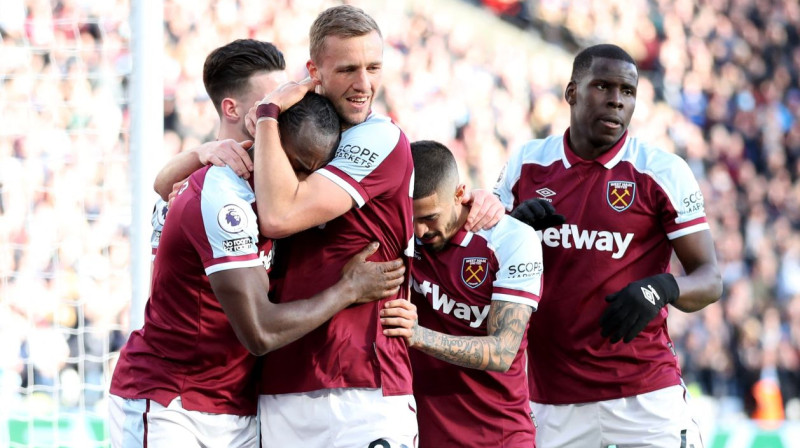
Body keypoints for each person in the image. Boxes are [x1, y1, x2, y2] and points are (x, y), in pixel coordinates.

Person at [108, 39, 406, 448]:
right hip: (171, 402)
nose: (283, 108)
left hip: (240, 407)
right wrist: (348, 290)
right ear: (237, 111)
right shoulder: (218, 195)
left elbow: (163, 183)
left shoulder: (252, 180)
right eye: (271, 101)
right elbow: (260, 331)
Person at [493, 43, 723, 447]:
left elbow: (710, 279)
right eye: (602, 86)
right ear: (572, 93)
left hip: (645, 396)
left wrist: (663, 288)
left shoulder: (661, 171)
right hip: (550, 400)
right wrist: (509, 231)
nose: (616, 101)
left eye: (628, 91)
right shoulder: (525, 165)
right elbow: (478, 269)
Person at [380, 140, 543, 447]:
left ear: (459, 194)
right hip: (423, 434)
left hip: (500, 436)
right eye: (410, 218)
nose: (419, 232)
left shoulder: (510, 239)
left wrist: (417, 335)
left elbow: (502, 352)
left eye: (430, 218)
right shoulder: (399, 235)